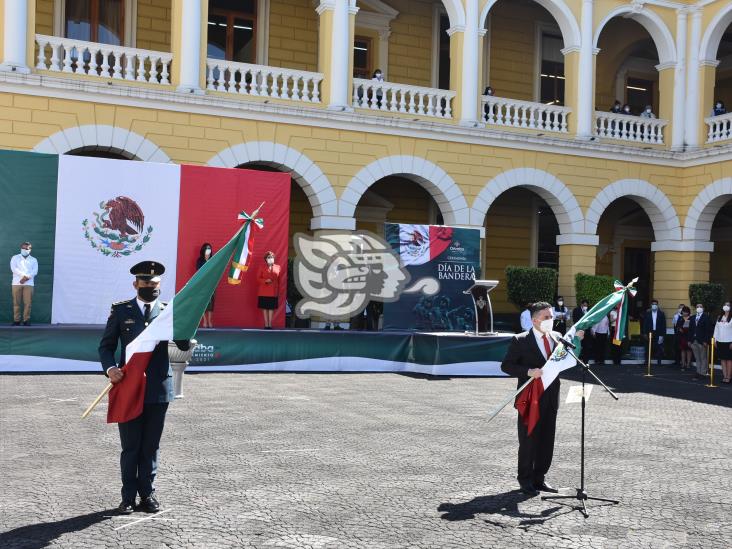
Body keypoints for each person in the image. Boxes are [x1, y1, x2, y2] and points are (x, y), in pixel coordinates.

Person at [99, 261, 189, 515]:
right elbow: (105, 347)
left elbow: (182, 344)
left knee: (150, 446)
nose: (152, 287)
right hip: (129, 388)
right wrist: (110, 369)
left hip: (158, 389)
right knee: (131, 447)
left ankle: (147, 494)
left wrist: (187, 321)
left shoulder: (168, 311)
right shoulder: (121, 311)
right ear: (135, 284)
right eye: (147, 283)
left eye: (156, 284)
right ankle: (128, 497)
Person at [501, 301, 584, 496]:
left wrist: (578, 340)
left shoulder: (557, 338)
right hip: (530, 399)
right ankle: (525, 479)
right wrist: (528, 371)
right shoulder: (520, 340)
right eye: (547, 317)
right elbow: (506, 366)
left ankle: (540, 478)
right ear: (535, 319)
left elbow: (566, 359)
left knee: (547, 439)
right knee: (529, 439)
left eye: (552, 317)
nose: (551, 320)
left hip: (551, 396)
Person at [10, 242, 38, 326]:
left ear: (30, 249)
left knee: (28, 303)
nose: (25, 250)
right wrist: (23, 276)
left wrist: (26, 278)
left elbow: (35, 271)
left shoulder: (34, 259)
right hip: (16, 283)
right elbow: (13, 269)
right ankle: (16, 320)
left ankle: (26, 320)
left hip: (29, 284)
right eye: (23, 248)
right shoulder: (15, 258)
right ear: (20, 248)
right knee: (16, 303)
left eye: (27, 248)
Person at [257, 251, 281, 329]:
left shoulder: (278, 267)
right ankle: (266, 324)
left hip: (273, 291)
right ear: (266, 259)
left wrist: (277, 290)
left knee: (271, 308)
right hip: (264, 291)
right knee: (265, 308)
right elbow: (258, 278)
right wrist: (265, 281)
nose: (270, 258)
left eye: (272, 257)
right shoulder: (261, 267)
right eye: (269, 257)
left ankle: (270, 324)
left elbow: (279, 280)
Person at [689, 303, 711, 380]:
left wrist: (706, 340)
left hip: (702, 341)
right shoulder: (692, 317)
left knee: (703, 357)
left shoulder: (706, 317)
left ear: (703, 308)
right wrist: (689, 340)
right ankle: (698, 372)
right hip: (694, 340)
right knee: (697, 357)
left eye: (700, 306)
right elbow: (690, 329)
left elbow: (708, 330)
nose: (698, 308)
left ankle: (703, 373)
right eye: (697, 306)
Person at [641, 299, 666, 367]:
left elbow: (663, 325)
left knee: (659, 347)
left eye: (655, 304)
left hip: (658, 333)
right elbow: (645, 324)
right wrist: (644, 333)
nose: (654, 305)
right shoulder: (647, 313)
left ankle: (659, 362)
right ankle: (647, 361)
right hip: (649, 333)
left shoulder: (661, 314)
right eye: (653, 304)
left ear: (657, 305)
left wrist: (662, 335)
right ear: (651, 305)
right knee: (648, 347)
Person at [196, 243, 215, 328]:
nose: (208, 250)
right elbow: (198, 271)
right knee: (202, 303)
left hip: (211, 284)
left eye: (209, 249)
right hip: (202, 285)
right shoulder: (199, 260)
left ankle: (210, 320)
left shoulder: (213, 259)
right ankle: (205, 321)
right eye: (207, 249)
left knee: (211, 303)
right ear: (203, 250)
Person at [713, 301, 732, 383]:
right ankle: (724, 376)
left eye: (728, 305)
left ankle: (729, 377)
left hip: (729, 342)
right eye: (725, 305)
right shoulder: (719, 317)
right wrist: (715, 339)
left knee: (729, 360)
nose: (726, 306)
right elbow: (716, 329)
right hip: (720, 341)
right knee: (723, 360)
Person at [675, 306, 693, 371]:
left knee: (689, 350)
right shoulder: (680, 318)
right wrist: (679, 329)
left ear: (688, 312)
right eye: (683, 311)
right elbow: (677, 326)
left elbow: (692, 327)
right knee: (683, 350)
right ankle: (683, 363)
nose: (684, 313)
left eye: (686, 311)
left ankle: (688, 364)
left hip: (689, 336)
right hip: (682, 336)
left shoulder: (691, 318)